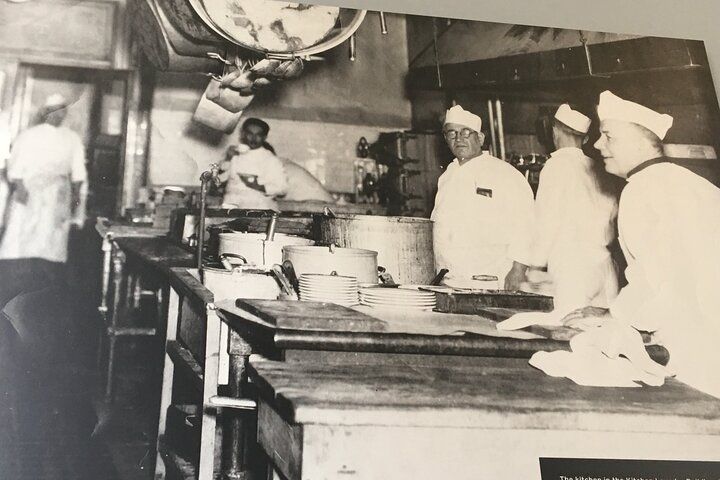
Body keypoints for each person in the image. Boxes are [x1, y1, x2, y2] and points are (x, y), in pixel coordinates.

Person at [562, 90, 720, 397]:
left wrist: (613, 317)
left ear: (640, 141)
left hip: (698, 341)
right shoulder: (686, 181)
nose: (597, 144)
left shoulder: (643, 189)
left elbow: (656, 278)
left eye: (608, 136)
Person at [525, 104, 620, 317]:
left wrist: (536, 266)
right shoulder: (600, 169)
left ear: (555, 130)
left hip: (573, 267)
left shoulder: (555, 166)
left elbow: (547, 219)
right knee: (604, 333)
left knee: (570, 330)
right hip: (605, 266)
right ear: (585, 139)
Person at [431, 104, 534, 289]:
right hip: (448, 280)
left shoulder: (504, 173)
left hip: (490, 279)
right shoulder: (447, 176)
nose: (458, 139)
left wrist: (518, 270)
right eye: (452, 133)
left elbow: (527, 224)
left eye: (465, 132)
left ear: (480, 137)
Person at [0, 93, 87, 309]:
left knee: (52, 245)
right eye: (54, 111)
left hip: (57, 195)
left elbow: (78, 173)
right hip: (27, 193)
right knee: (20, 244)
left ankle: (46, 298)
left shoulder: (71, 138)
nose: (59, 115)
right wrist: (20, 189)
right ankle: (13, 296)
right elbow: (15, 168)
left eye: (63, 111)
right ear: (46, 113)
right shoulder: (28, 136)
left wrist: (75, 198)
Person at [218, 117, 287, 211]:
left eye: (258, 135)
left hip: (259, 207)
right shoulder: (234, 154)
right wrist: (228, 159)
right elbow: (219, 181)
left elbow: (282, 188)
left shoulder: (270, 159)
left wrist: (258, 186)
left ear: (264, 137)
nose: (254, 138)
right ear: (243, 134)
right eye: (250, 134)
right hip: (231, 207)